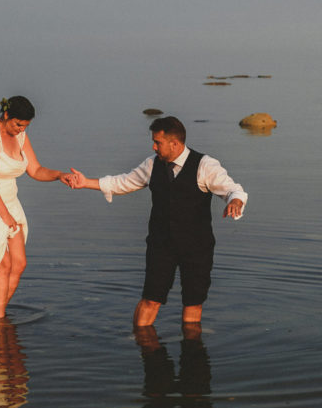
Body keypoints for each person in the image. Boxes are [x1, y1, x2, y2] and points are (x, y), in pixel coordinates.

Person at [66, 116, 248, 327]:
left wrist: (235, 201)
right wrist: (85, 182)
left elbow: (233, 189)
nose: (153, 147)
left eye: (157, 143)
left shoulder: (205, 165)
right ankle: (141, 343)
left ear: (175, 143)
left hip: (197, 247)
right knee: (151, 299)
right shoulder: (152, 164)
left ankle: (192, 351)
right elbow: (123, 182)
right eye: (153, 142)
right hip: (161, 244)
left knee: (193, 302)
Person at [0, 95, 72, 319]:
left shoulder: (20, 136)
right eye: (18, 124)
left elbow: (36, 170)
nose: (21, 129)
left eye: (25, 126)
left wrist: (60, 175)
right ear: (6, 115)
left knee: (19, 263)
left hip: (9, 201)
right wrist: (5, 216)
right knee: (2, 264)